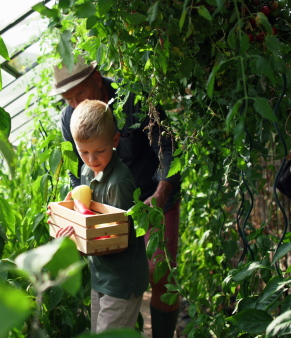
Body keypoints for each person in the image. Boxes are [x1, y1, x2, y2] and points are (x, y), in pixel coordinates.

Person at [52, 55, 181, 338]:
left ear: (97, 80)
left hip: (153, 195)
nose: (74, 104)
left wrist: (160, 193)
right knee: (122, 271)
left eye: (80, 93)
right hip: (108, 207)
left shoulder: (133, 100)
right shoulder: (69, 118)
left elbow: (168, 148)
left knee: (160, 274)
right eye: (67, 99)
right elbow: (77, 174)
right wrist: (77, 213)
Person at [55, 99, 149, 333]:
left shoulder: (118, 183)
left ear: (115, 140)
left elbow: (120, 239)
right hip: (102, 276)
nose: (92, 159)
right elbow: (87, 211)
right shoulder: (87, 171)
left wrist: (79, 235)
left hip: (121, 280)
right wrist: (72, 219)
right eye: (83, 152)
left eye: (99, 151)